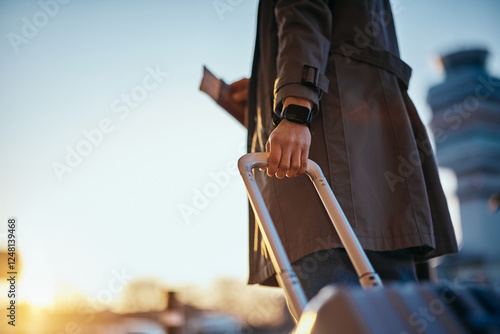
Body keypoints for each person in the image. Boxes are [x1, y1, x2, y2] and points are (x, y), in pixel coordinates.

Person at [228, 0, 458, 300]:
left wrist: (296, 108)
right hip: (372, 146)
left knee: (343, 308)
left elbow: (302, 11)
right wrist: (269, 91)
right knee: (395, 307)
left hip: (332, 151)